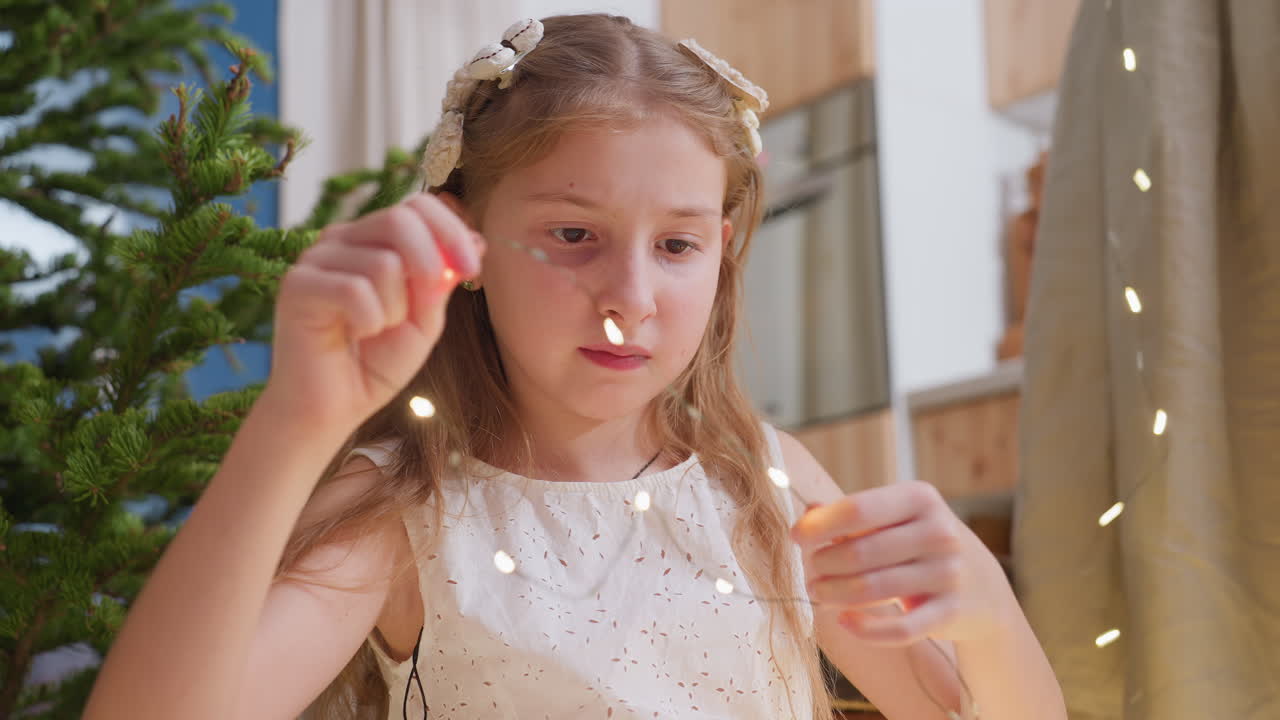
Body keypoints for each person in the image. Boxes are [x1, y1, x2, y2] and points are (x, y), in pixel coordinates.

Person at [83, 14, 1064, 720]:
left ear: (720, 247)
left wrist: (981, 612)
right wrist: (294, 422)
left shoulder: (765, 480)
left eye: (675, 246)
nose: (629, 295)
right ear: (467, 242)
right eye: (572, 232)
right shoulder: (405, 507)